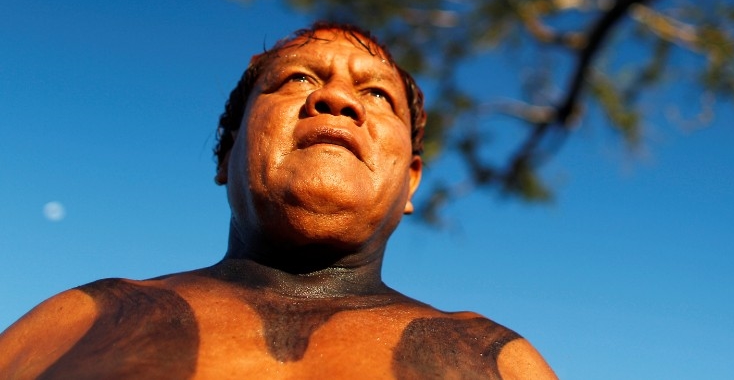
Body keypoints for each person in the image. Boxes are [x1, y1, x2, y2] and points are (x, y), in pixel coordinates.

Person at [0, 22, 557, 379]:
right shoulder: (78, 317)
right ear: (226, 154)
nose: (336, 98)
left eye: (377, 94)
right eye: (296, 80)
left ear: (412, 182)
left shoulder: (495, 358)